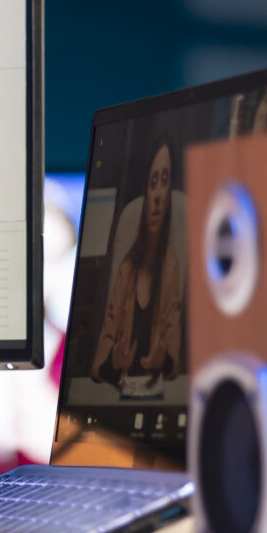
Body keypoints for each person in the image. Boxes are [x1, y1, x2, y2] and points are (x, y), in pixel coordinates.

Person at [90, 133, 185, 389]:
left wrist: (163, 359)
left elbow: (174, 337)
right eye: (152, 182)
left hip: (155, 393)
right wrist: (113, 360)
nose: (157, 194)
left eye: (164, 181)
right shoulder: (127, 268)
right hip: (120, 394)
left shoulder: (171, 264)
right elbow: (105, 344)